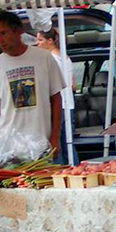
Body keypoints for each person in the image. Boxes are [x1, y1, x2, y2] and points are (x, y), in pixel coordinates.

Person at [0, 11, 66, 232]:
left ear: (19, 31)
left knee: (47, 204)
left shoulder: (43, 59)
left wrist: (55, 136)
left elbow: (56, 100)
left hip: (42, 143)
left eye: (4, 33)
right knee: (15, 208)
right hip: (11, 149)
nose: (1, 40)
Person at [36, 28, 77, 165]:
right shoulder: (65, 57)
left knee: (55, 146)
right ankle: (74, 169)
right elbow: (73, 85)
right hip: (68, 105)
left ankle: (60, 174)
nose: (37, 43)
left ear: (50, 41)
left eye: (40, 40)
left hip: (57, 107)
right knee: (68, 146)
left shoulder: (50, 59)